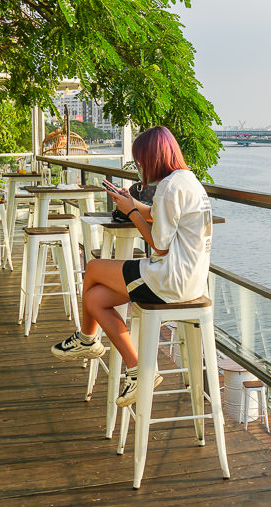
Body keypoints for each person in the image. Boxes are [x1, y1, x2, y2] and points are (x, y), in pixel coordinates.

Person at [51, 126, 213, 407]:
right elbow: (162, 215)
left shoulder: (168, 187)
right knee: (94, 298)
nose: (139, 167)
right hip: (191, 279)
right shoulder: (187, 181)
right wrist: (133, 204)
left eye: (139, 161)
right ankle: (137, 369)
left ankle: (88, 341)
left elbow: (159, 246)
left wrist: (131, 212)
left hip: (168, 279)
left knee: (93, 268)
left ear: (151, 158)